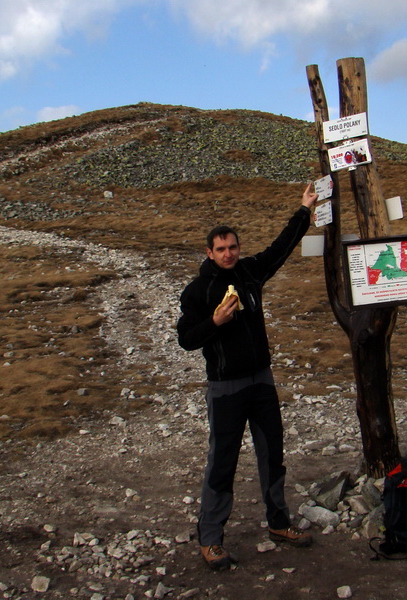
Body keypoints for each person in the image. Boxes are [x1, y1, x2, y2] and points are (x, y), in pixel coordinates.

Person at [177, 184, 318, 569]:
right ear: (209, 252)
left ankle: (278, 523)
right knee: (223, 460)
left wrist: (304, 209)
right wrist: (215, 321)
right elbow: (186, 339)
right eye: (221, 249)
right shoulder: (198, 291)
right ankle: (210, 538)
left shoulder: (251, 272)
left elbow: (281, 247)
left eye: (232, 247)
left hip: (262, 381)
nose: (228, 254)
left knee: (273, 454)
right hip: (225, 389)